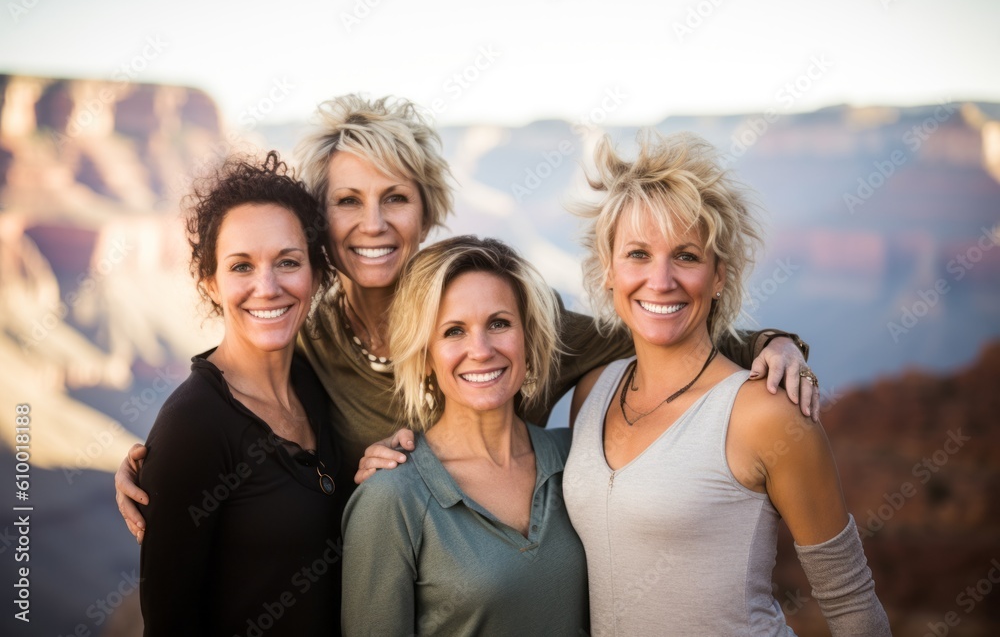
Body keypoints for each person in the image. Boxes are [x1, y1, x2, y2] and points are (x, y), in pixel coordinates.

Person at [116, 94, 814, 542]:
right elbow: (241, 388)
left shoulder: (498, 317)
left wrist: (768, 341)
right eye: (348, 201)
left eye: (396, 197)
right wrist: (162, 462)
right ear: (318, 220)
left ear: (427, 209)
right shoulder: (312, 339)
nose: (373, 224)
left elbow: (652, 321)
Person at [562, 130, 890, 635]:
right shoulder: (594, 391)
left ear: (719, 277)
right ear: (608, 269)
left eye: (687, 256)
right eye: (638, 254)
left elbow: (852, 606)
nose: (662, 279)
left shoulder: (766, 413)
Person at [138, 152, 347, 636]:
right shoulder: (193, 426)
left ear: (315, 274)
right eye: (241, 267)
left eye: (288, 262)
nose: (267, 287)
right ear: (210, 282)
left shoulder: (317, 383)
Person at [341, 236, 588, 635]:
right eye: (454, 331)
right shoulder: (391, 497)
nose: (481, 349)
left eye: (499, 323)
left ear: (528, 337)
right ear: (425, 357)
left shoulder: (577, 458)